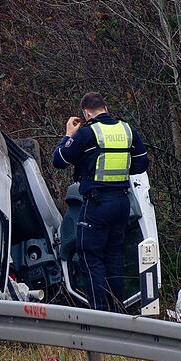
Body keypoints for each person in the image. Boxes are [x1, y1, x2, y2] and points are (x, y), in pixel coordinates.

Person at [52, 92, 149, 312]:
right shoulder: (127, 130)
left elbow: (59, 160)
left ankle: (100, 314)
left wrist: (68, 135)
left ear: (86, 113)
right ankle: (117, 312)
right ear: (105, 108)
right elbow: (141, 164)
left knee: (90, 256)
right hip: (122, 203)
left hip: (97, 204)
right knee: (114, 257)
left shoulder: (86, 134)